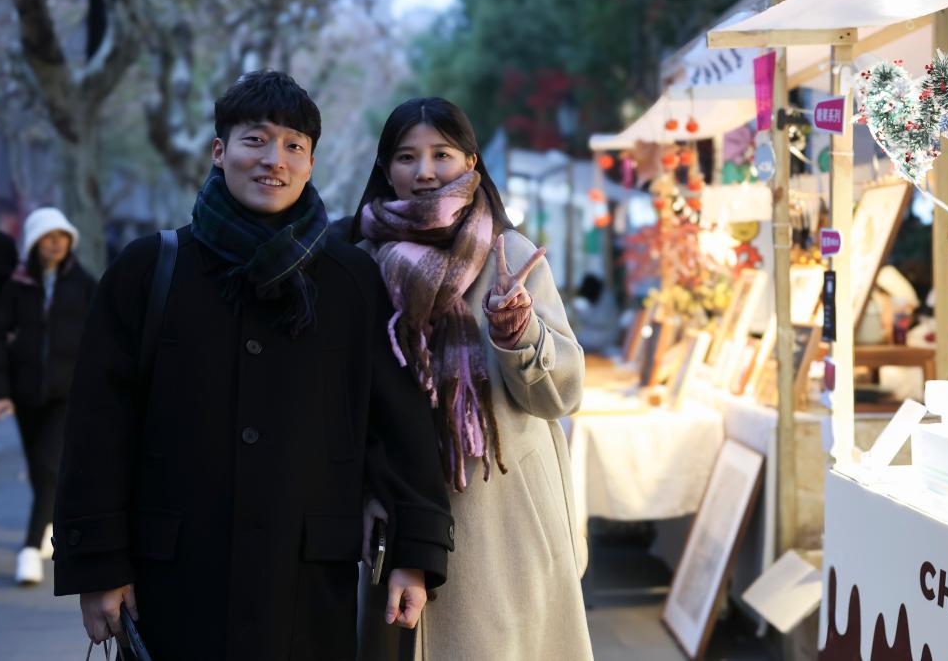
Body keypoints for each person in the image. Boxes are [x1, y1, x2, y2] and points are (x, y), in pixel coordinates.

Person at [52, 71, 453, 661]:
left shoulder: (351, 280)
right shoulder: (149, 269)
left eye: (294, 145)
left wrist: (414, 555)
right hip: (174, 581)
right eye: (255, 140)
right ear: (220, 151)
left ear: (311, 163)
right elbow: (98, 427)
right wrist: (98, 565)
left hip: (307, 585)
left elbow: (397, 424)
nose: (274, 160)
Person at [349, 97, 592, 660]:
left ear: (471, 163)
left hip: (504, 520)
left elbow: (562, 394)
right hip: (401, 512)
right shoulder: (360, 262)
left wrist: (518, 332)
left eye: (442, 154)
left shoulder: (510, 253)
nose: (425, 171)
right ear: (385, 168)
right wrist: (364, 493)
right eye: (407, 157)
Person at [0, 207, 95, 585]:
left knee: (49, 465)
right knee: (37, 467)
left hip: (67, 393)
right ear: (34, 242)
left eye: (62, 237)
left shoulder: (83, 284)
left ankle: (30, 549)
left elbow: (102, 337)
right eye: (49, 238)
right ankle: (47, 521)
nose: (56, 244)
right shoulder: (16, 287)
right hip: (26, 393)